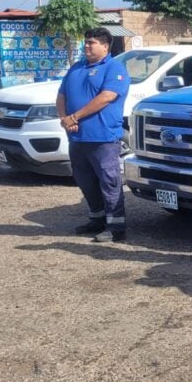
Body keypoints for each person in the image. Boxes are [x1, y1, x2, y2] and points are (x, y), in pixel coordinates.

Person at [57, 27, 131, 242]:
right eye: (86, 42)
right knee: (85, 180)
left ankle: (116, 227)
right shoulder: (76, 68)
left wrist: (75, 117)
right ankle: (97, 219)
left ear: (106, 46)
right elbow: (61, 95)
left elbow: (106, 97)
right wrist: (65, 119)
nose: (87, 46)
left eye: (93, 43)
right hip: (77, 138)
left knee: (109, 182)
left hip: (103, 138)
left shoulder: (114, 68)